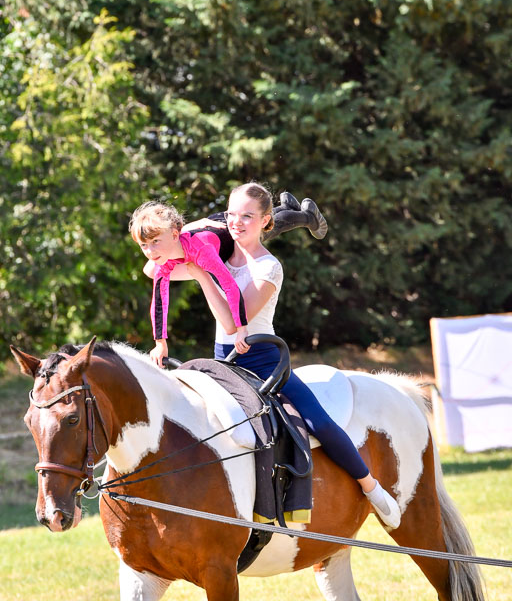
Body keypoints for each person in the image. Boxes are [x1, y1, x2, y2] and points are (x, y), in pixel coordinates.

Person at [178, 181, 401, 530]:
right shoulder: (217, 252)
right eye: (230, 214)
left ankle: (371, 486)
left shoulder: (268, 267)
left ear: (266, 221)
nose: (235, 223)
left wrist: (201, 274)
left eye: (247, 216)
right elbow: (153, 267)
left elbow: (235, 318)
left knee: (317, 422)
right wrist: (200, 229)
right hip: (222, 362)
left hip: (263, 363)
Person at [129, 192, 328, 368]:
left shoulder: (202, 253)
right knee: (263, 226)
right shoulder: (164, 258)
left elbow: (230, 287)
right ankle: (287, 208)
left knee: (262, 228)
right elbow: (158, 300)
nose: (150, 251)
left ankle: (306, 216)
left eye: (155, 242)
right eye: (144, 245)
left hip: (223, 232)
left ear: (174, 234)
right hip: (203, 230)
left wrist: (242, 329)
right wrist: (160, 343)